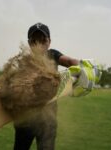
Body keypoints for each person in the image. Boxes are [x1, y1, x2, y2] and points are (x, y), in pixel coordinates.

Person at [13, 22, 79, 150]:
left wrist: (83, 67)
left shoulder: (52, 55)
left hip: (48, 122)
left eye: (43, 39)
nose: (39, 43)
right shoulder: (24, 61)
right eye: (34, 40)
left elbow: (71, 62)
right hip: (25, 121)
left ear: (49, 41)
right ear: (29, 43)